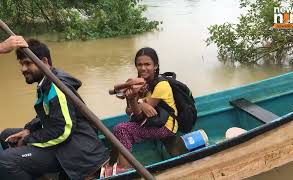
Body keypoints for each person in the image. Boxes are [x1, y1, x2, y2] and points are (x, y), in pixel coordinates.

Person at [0, 39, 108, 180]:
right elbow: (47, 114)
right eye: (21, 64)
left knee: (6, 159)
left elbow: (63, 130)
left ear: (44, 62)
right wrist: (29, 129)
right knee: (6, 135)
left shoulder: (57, 87)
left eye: (28, 63)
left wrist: (28, 139)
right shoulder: (46, 82)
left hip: (76, 151)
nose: (23, 69)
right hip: (65, 142)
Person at [102, 47, 178, 177]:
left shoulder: (162, 85)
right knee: (116, 130)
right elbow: (130, 112)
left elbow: (142, 115)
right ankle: (113, 163)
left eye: (147, 64)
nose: (143, 68)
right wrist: (132, 99)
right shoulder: (137, 84)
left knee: (121, 129)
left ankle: (124, 170)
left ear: (155, 66)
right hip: (148, 123)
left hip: (165, 126)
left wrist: (138, 102)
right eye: (139, 64)